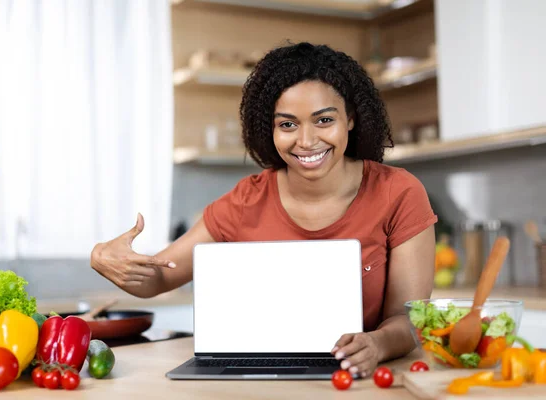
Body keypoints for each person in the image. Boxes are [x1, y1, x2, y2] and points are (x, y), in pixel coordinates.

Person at [91, 42, 437, 378]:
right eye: (288, 124)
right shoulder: (246, 200)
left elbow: (407, 319)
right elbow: (161, 275)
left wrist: (375, 344)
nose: (306, 141)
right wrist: (112, 260)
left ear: (350, 119)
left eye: (323, 120)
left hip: (357, 381)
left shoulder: (399, 193)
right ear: (269, 129)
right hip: (259, 381)